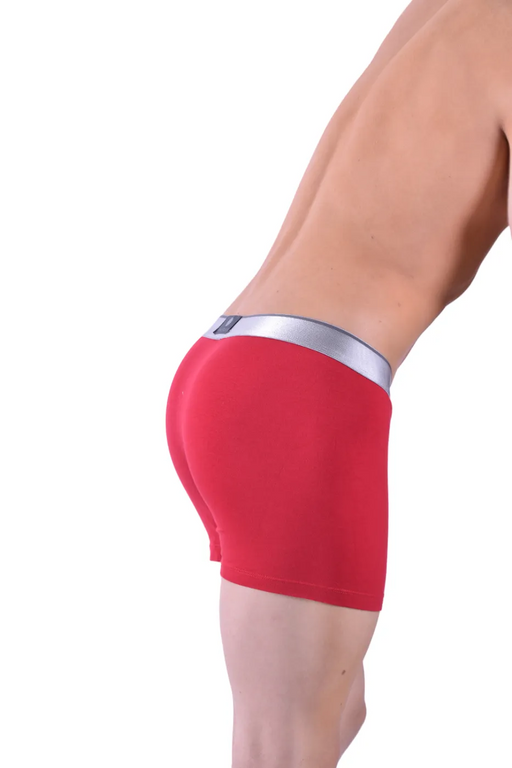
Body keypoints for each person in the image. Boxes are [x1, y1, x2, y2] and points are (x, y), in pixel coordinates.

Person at [165, 0, 511, 765]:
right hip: (302, 394)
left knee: (335, 711)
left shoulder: (451, 12)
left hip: (237, 367)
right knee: (287, 746)